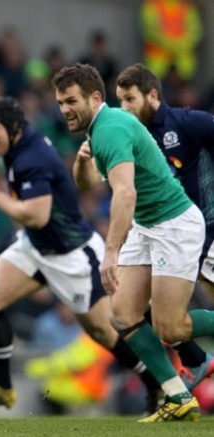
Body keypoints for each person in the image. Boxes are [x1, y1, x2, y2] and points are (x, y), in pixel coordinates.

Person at [0, 96, 163, 415]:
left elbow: (37, 215)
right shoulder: (20, 145)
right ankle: (0, 386)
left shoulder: (31, 159)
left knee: (104, 333)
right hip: (36, 246)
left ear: (13, 129)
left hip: (71, 256)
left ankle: (158, 385)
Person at [52, 62, 214, 422]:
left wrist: (111, 252)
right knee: (122, 314)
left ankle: (193, 372)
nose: (63, 109)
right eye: (60, 102)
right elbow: (87, 183)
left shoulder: (110, 129)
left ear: (95, 98)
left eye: (70, 100)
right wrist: (81, 162)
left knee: (170, 328)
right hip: (147, 225)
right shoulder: (100, 129)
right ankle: (177, 396)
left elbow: (125, 193)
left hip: (174, 224)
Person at [115, 62, 214, 389]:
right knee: (135, 308)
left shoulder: (188, 122)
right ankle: (195, 360)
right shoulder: (130, 136)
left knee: (167, 317)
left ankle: (195, 361)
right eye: (120, 101)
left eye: (130, 99)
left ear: (153, 95)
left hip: (202, 229)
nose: (124, 108)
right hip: (163, 231)